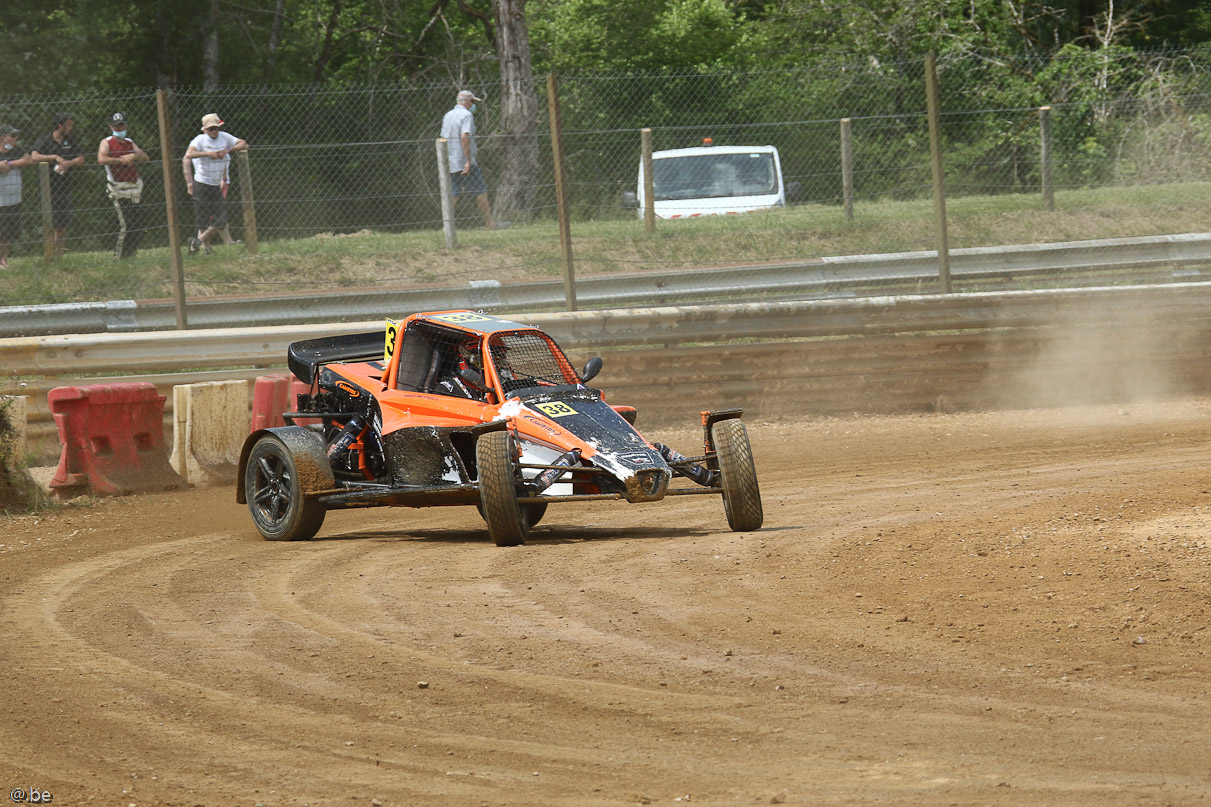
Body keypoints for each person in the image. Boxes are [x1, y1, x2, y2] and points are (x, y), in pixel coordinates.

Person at [184, 113, 247, 255]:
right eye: (211, 129)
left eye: (216, 128)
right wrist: (208, 154)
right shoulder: (200, 140)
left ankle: (197, 242)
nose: (214, 132)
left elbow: (244, 144)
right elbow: (189, 154)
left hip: (215, 185)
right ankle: (206, 248)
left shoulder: (225, 137)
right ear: (205, 129)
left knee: (221, 218)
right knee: (203, 219)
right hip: (201, 184)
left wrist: (228, 150)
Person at [440, 89, 498, 230]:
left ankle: (446, 225)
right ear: (465, 101)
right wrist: (467, 160)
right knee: (481, 191)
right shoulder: (467, 115)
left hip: (450, 161)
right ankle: (489, 223)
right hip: (464, 161)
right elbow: (464, 136)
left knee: (454, 193)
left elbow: (443, 138)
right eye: (472, 101)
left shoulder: (448, 115)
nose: (473, 105)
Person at [31, 112, 85, 259]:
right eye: (69, 125)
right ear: (60, 125)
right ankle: (49, 254)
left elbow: (81, 159)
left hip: (65, 188)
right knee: (50, 223)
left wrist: (68, 163)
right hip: (48, 189)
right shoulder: (45, 140)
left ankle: (59, 255)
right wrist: (53, 157)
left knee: (62, 225)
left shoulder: (70, 140)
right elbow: (34, 156)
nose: (71, 127)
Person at [96, 112, 149, 259]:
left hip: (133, 187)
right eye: (117, 126)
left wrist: (133, 156)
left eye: (122, 125)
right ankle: (119, 256)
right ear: (111, 127)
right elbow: (101, 159)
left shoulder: (130, 142)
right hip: (118, 188)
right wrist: (120, 160)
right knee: (126, 224)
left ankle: (131, 253)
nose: (120, 128)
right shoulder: (106, 142)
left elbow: (145, 157)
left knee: (136, 224)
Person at [0, 124, 34, 270]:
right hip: (0, 201)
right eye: (12, 136)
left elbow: (29, 160)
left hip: (14, 199)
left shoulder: (17, 150)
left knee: (9, 233)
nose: (16, 138)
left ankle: (4, 261)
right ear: (3, 138)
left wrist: (9, 163)